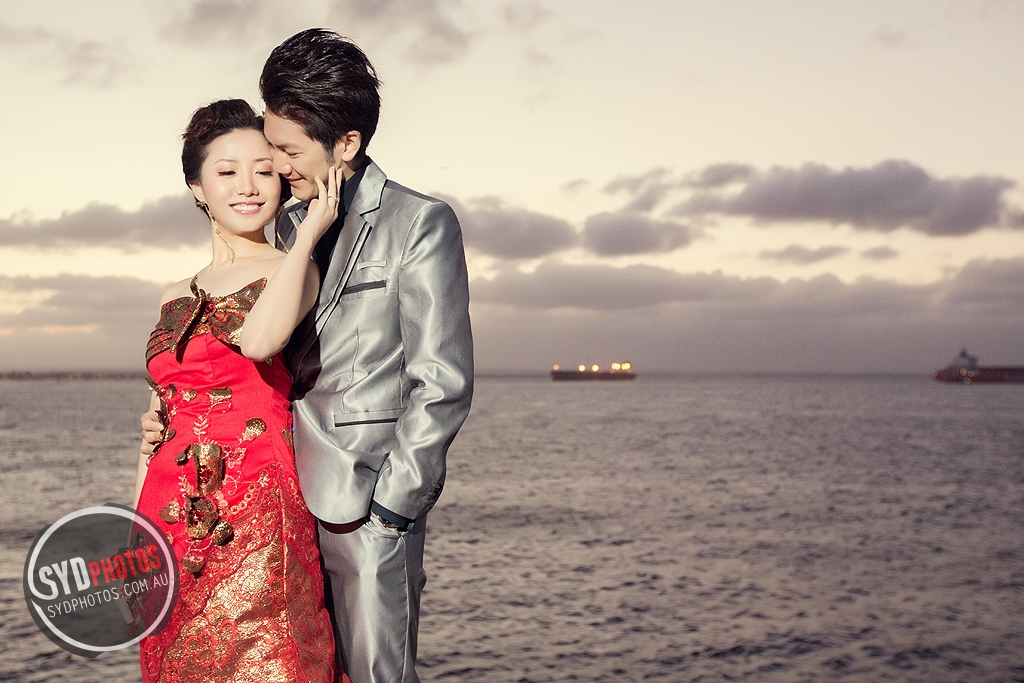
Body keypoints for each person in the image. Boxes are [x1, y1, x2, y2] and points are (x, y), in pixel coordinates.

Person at [143, 29, 474, 683]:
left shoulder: (418, 223)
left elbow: (441, 382)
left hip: (363, 505)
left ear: (345, 143)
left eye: (287, 151)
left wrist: (393, 507)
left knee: (375, 673)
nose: (276, 166)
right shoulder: (289, 221)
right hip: (272, 496)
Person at [134, 98, 346, 682]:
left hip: (254, 505)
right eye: (227, 171)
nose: (248, 186)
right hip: (167, 509)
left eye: (264, 170)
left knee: (266, 658)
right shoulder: (172, 293)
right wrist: (135, 529)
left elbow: (258, 341)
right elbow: (157, 416)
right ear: (197, 188)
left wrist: (309, 235)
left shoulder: (293, 267)